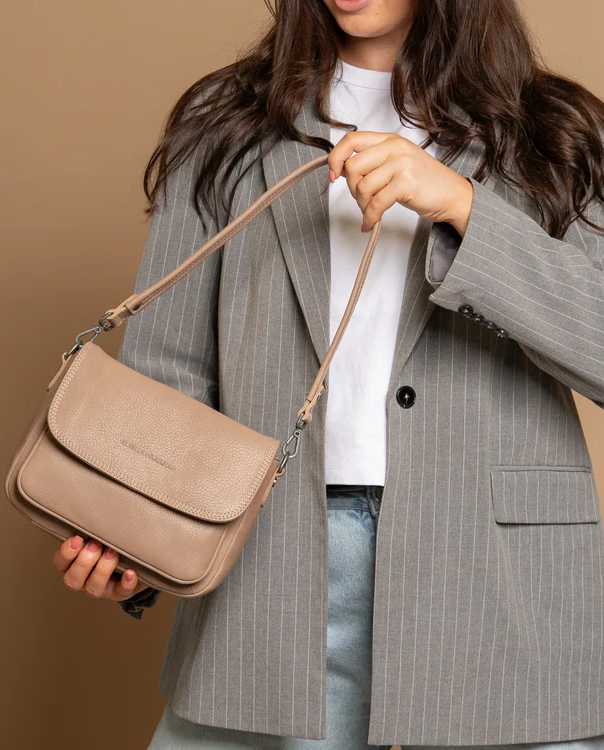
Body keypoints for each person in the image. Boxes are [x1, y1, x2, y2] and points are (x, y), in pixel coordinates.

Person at [51, 0, 604, 747]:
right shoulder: (225, 123)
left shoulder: (554, 131)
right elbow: (170, 366)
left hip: (499, 575)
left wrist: (463, 207)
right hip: (269, 565)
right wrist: (137, 535)